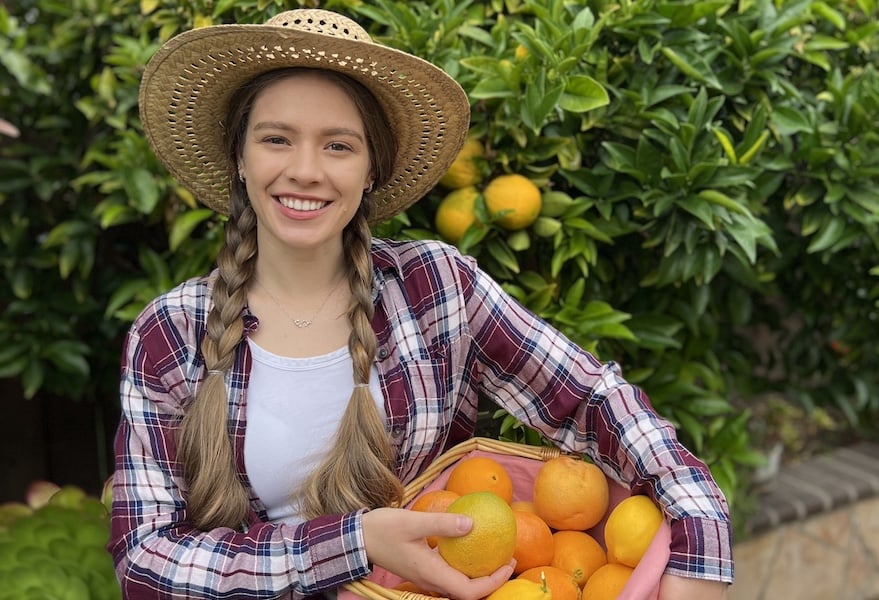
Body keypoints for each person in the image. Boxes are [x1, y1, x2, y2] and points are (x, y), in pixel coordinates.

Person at [108, 8, 733, 600]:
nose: (305, 170)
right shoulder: (171, 332)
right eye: (276, 138)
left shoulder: (434, 288)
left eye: (338, 145)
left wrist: (700, 528)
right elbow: (143, 562)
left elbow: (592, 398)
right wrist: (353, 543)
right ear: (240, 158)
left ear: (371, 169)